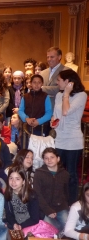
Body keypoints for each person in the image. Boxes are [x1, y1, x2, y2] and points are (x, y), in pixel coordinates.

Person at [51, 69, 87, 205]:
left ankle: (72, 202)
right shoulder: (59, 95)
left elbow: (66, 111)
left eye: (59, 80)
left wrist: (66, 93)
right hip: (59, 138)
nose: (57, 82)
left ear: (68, 81)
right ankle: (58, 200)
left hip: (73, 140)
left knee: (71, 173)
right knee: (57, 171)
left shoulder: (81, 95)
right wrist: (53, 121)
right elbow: (56, 113)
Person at [33, 147, 69, 232]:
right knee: (53, 230)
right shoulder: (39, 173)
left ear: (58, 159)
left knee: (68, 228)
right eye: (46, 158)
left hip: (61, 207)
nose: (49, 160)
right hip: (45, 208)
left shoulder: (65, 174)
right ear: (44, 160)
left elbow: (66, 192)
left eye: (52, 157)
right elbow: (37, 193)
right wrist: (47, 210)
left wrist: (66, 206)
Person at [4, 166, 41, 231]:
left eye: (17, 179)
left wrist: (21, 226)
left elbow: (35, 218)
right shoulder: (7, 194)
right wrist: (14, 224)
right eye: (11, 178)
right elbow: (9, 214)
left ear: (23, 181)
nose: (13, 182)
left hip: (29, 223)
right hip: (15, 224)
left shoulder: (31, 195)